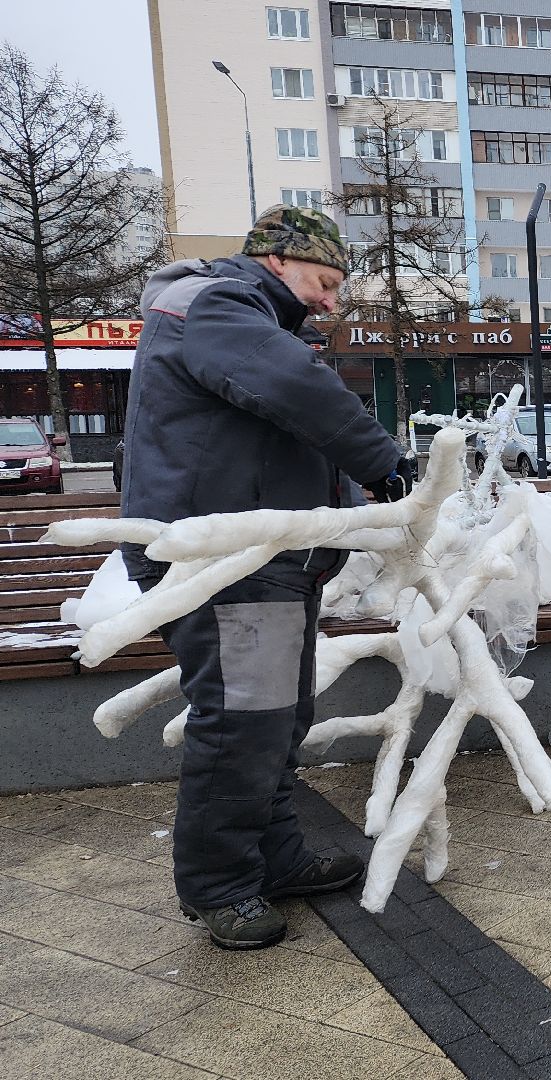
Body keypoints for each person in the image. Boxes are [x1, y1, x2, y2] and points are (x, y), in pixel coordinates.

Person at [121, 206, 412, 950]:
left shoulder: (247, 319)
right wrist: (379, 462)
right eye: (324, 281)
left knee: (278, 720)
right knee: (246, 725)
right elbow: (289, 388)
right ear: (277, 260)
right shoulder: (213, 302)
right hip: (229, 566)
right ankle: (219, 885)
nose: (331, 303)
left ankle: (274, 856)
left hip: (266, 562)